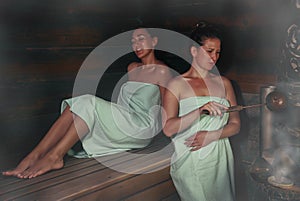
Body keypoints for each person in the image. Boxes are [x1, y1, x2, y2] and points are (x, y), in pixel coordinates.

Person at [3, 27, 172, 179]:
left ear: (154, 41)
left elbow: (166, 110)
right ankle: (36, 154)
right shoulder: (132, 68)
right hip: (125, 119)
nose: (137, 45)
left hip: (142, 127)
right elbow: (127, 102)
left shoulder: (162, 71)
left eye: (141, 39)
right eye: (133, 41)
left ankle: (55, 156)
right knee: (75, 105)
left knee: (88, 102)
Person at [162, 22, 241, 201]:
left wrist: (213, 135)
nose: (214, 57)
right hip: (190, 156)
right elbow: (168, 128)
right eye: (209, 51)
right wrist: (199, 110)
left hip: (220, 156)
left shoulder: (225, 83)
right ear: (194, 51)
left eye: (218, 52)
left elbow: (235, 125)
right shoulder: (177, 84)